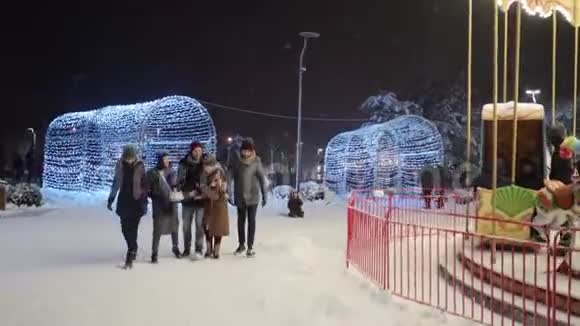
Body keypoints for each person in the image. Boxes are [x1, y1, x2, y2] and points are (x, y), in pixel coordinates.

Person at [107, 145, 148, 269]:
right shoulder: (119, 165)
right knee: (125, 228)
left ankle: (131, 250)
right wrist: (111, 199)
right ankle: (133, 246)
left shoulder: (140, 166)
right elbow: (116, 183)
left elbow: (145, 183)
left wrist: (144, 198)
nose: (129, 160)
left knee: (133, 227)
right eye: (127, 158)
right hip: (124, 199)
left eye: (131, 158)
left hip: (137, 200)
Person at [227, 139, 267, 257]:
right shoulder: (236, 162)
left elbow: (261, 178)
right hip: (240, 196)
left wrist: (264, 194)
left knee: (251, 222)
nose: (245, 153)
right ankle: (241, 245)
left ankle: (250, 247)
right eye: (243, 150)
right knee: (240, 222)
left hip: (253, 196)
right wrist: (229, 192)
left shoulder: (256, 161)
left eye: (248, 151)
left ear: (252, 151)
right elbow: (229, 177)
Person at [147, 152, 181, 264]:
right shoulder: (152, 173)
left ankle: (175, 247)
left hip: (171, 203)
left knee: (174, 226)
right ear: (160, 160)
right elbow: (147, 187)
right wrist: (153, 194)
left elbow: (177, 184)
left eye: (168, 159)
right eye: (165, 159)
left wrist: (176, 187)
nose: (167, 161)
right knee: (157, 229)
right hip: (159, 204)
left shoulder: (172, 171)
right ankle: (154, 252)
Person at [177, 141, 205, 259]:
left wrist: (201, 190)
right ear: (191, 151)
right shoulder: (184, 163)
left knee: (199, 225)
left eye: (200, 150)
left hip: (200, 200)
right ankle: (187, 249)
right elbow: (180, 181)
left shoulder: (205, 162)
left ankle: (198, 249)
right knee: (186, 226)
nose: (198, 153)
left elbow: (208, 178)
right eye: (195, 151)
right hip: (187, 199)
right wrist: (188, 191)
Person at [201, 155, 229, 259]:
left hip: (219, 205)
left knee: (218, 226)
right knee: (207, 226)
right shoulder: (203, 174)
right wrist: (208, 189)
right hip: (208, 204)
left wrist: (219, 188)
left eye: (208, 166)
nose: (206, 169)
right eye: (205, 166)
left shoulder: (220, 172)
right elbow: (202, 186)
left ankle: (216, 250)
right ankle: (208, 249)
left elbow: (223, 188)